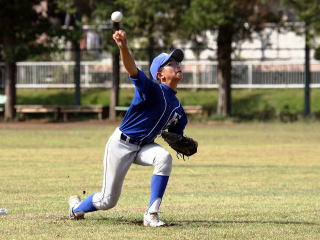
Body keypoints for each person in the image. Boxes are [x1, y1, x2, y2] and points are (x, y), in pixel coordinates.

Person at [68, 29, 188, 227]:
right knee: (108, 201)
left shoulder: (177, 108)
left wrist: (181, 141)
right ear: (160, 75)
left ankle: (152, 214)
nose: (177, 65)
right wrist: (123, 46)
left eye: (177, 62)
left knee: (164, 158)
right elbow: (132, 70)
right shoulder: (150, 89)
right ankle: (75, 208)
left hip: (144, 146)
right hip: (121, 145)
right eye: (171, 64)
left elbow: (177, 136)